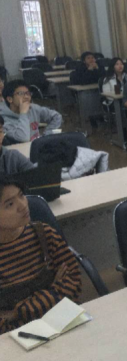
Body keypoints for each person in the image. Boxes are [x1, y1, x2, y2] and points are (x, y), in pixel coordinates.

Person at [0, 178, 81, 334]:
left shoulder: (44, 234)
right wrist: (52, 291)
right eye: (9, 204)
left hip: (60, 324)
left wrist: (16, 313)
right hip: (15, 337)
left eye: (21, 195)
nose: (23, 205)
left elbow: (73, 285)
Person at [0, 80, 63, 144]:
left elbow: (56, 116)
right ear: (10, 99)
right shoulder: (3, 120)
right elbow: (23, 138)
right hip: (17, 149)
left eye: (28, 93)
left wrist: (46, 135)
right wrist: (23, 113)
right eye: (21, 94)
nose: (26, 97)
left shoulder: (33, 108)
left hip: (36, 147)